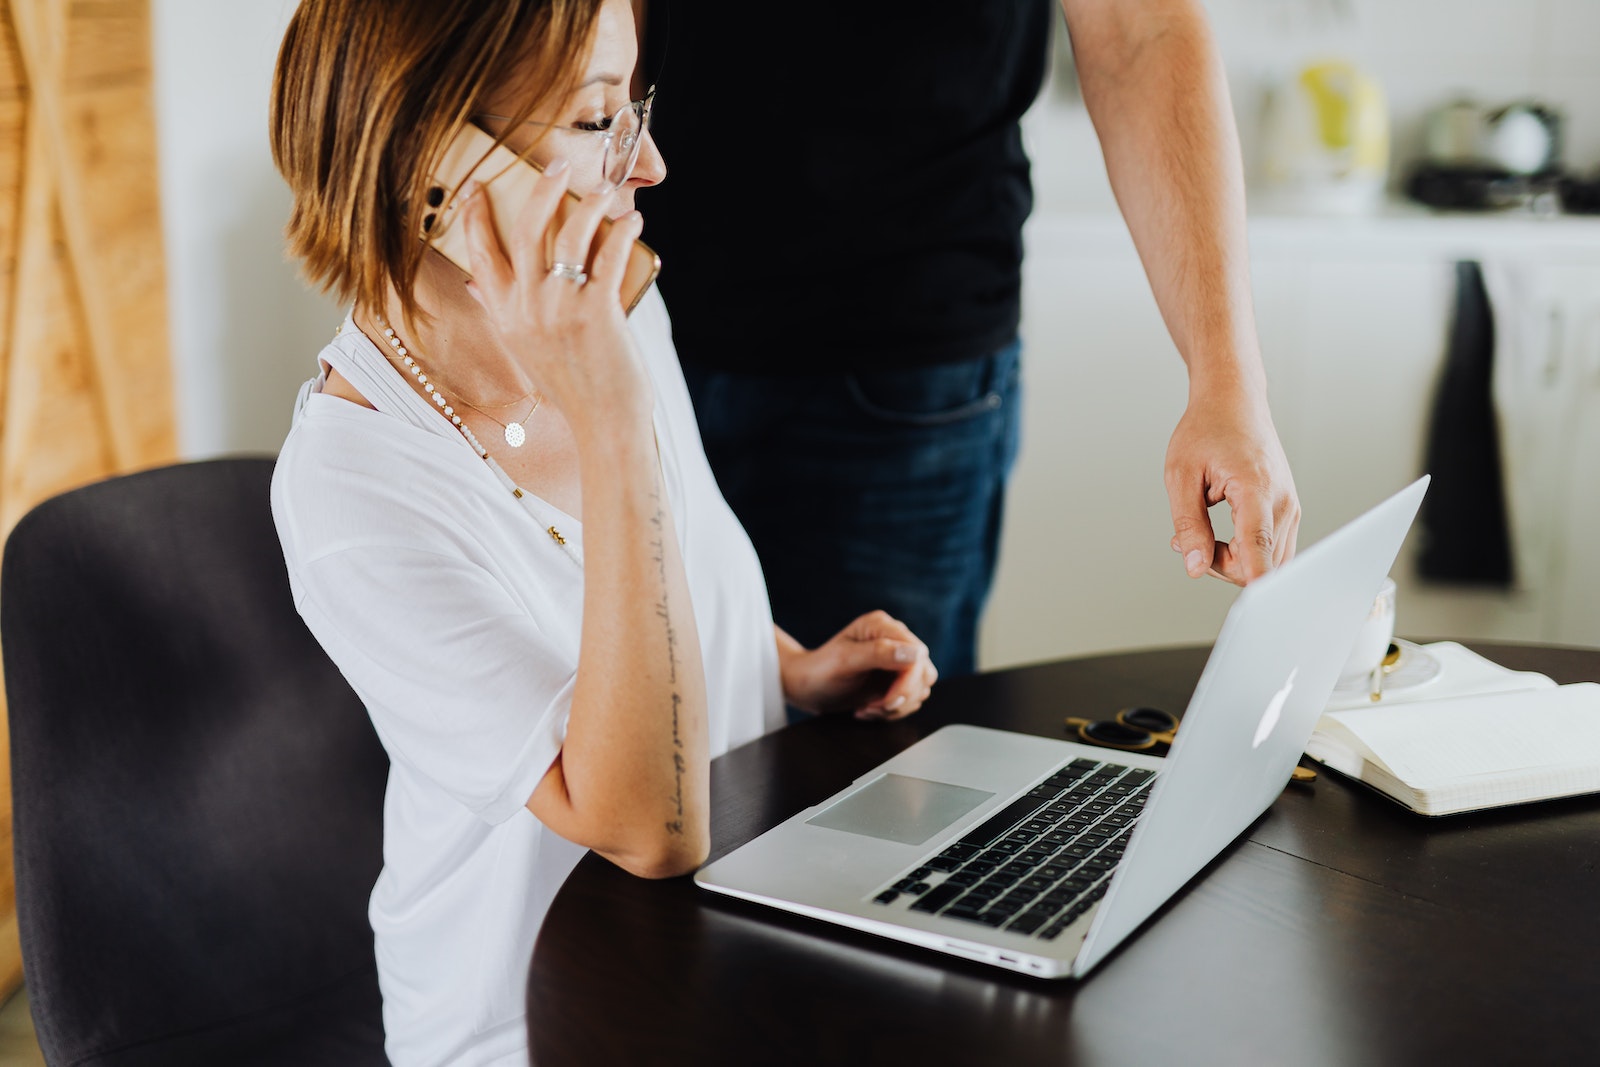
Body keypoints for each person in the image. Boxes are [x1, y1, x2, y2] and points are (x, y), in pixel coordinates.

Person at [266, 2, 938, 1063]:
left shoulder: (605, 316)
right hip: (535, 1018)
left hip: (720, 940)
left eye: (635, 108)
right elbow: (643, 826)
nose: (653, 165)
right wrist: (610, 413)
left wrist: (778, 669)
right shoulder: (352, 490)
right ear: (428, 157)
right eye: (594, 121)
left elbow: (628, 584)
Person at [636, 0, 1303, 679]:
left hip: (900, 368)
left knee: (881, 744)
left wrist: (1228, 382)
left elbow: (1140, 31)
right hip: (609, 317)